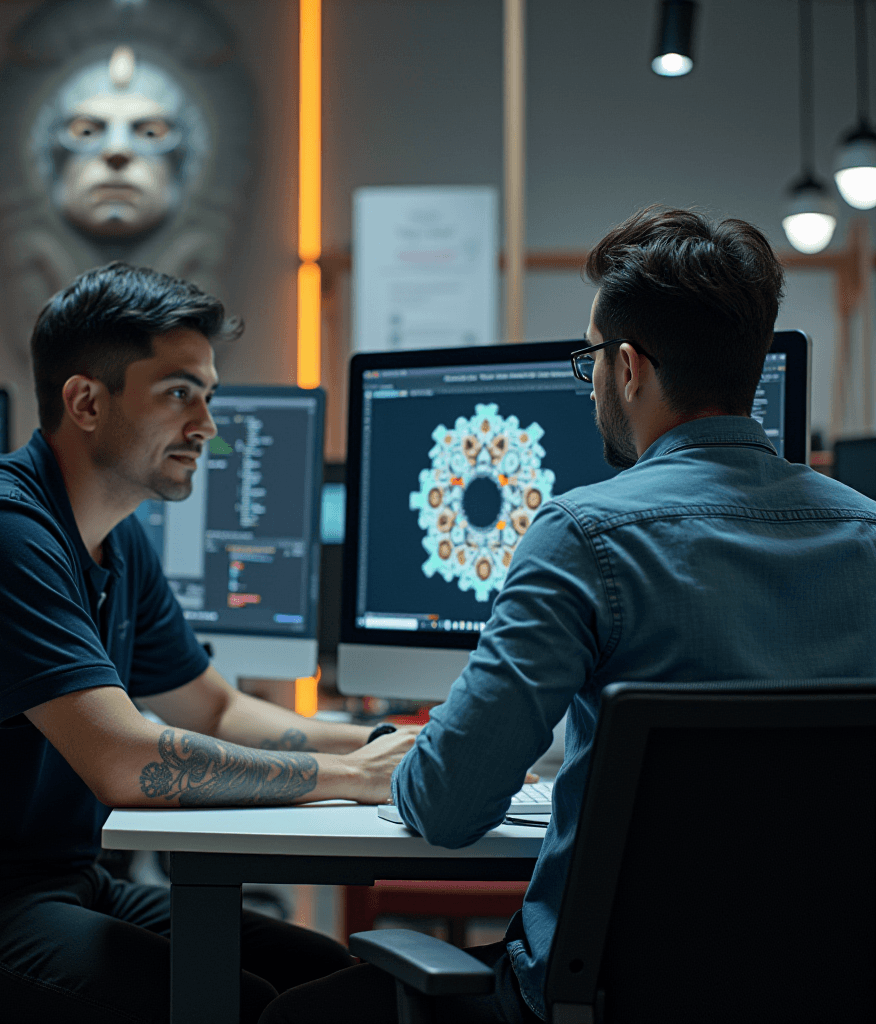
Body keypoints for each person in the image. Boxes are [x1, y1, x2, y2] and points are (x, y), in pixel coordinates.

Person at [258, 207, 876, 1024]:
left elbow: (447, 808)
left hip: (606, 999)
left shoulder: (585, 535)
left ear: (627, 367)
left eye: (589, 359)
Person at [0, 263, 417, 1024]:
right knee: (236, 1004)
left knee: (319, 976)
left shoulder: (116, 544)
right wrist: (350, 778)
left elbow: (214, 712)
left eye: (208, 396)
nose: (207, 426)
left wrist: (392, 744)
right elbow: (128, 762)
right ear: (86, 400)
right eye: (180, 393)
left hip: (60, 883)